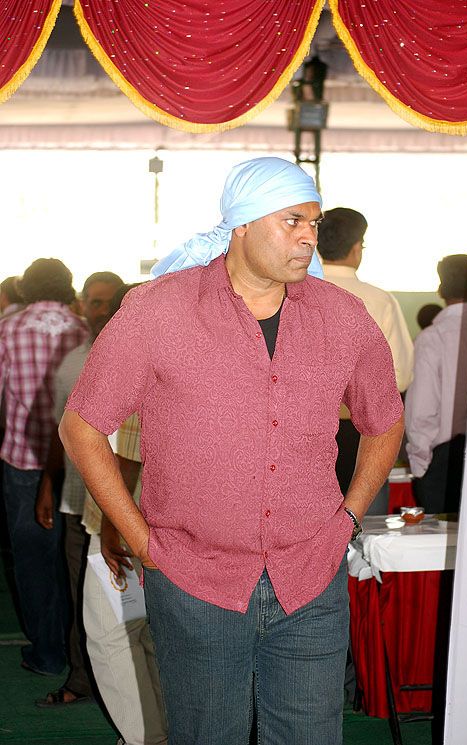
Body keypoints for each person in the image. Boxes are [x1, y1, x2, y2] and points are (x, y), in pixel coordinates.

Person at [59, 157, 404, 745]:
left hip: (310, 578)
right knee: (207, 735)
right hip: (195, 582)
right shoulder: (158, 310)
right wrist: (142, 539)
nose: (309, 237)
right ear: (242, 223)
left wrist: (347, 517)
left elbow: (385, 421)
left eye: (314, 223)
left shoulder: (341, 316)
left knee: (310, 736)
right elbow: (82, 427)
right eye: (292, 221)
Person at [34, 271, 124, 706]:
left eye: (109, 302)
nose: (102, 310)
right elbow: (60, 432)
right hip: (79, 503)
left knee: (137, 611)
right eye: (94, 301)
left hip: (136, 508)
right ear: (81, 305)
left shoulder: (148, 358)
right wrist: (47, 486)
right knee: (85, 600)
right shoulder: (73, 362)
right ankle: (83, 679)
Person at [0, 258, 88, 676]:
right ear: (68, 286)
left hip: (25, 458)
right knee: (74, 561)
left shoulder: (7, 329)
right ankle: (79, 652)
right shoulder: (84, 329)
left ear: (25, 288)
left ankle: (48, 653)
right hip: (76, 461)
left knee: (33, 559)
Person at [317, 207, 413, 508]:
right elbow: (401, 374)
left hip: (301, 427)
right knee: (362, 515)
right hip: (361, 429)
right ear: (357, 248)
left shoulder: (290, 292)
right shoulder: (379, 300)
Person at [83, 411, 167, 745]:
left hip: (127, 517)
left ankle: (148, 738)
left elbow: (130, 450)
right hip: (157, 517)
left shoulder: (137, 372)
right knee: (143, 635)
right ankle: (162, 732)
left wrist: (110, 526)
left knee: (111, 636)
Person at [405, 254, 467, 514]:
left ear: (441, 290)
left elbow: (422, 411)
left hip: (446, 462)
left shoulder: (433, 338)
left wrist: (421, 465)